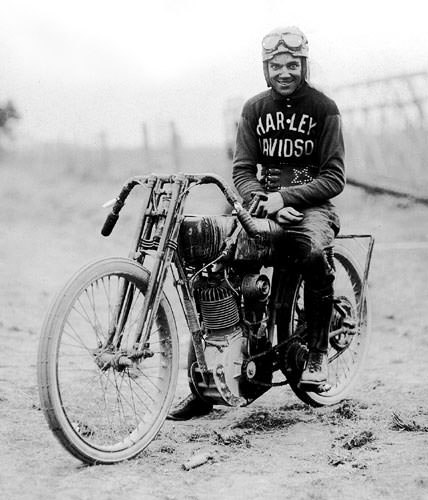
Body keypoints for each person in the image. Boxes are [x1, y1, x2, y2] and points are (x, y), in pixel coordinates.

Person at [168, 26, 345, 420]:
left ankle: (317, 354)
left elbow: (334, 177)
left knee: (312, 252)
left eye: (292, 65)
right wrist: (262, 202)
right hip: (262, 205)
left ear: (303, 66)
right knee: (209, 258)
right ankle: (209, 377)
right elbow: (243, 171)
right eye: (276, 66)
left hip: (312, 207)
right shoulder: (254, 109)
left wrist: (285, 198)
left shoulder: (324, 108)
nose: (285, 72)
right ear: (266, 69)